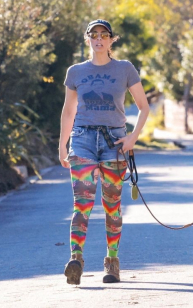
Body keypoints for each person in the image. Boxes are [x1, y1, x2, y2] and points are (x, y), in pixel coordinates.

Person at [58, 19, 149, 285]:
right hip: (83, 140)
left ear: (111, 40)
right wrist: (63, 144)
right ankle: (76, 259)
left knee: (112, 206)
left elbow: (143, 106)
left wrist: (133, 137)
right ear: (87, 39)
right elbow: (68, 110)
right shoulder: (76, 71)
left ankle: (112, 262)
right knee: (82, 204)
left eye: (104, 34)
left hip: (115, 143)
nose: (99, 38)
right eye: (94, 34)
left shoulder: (125, 69)